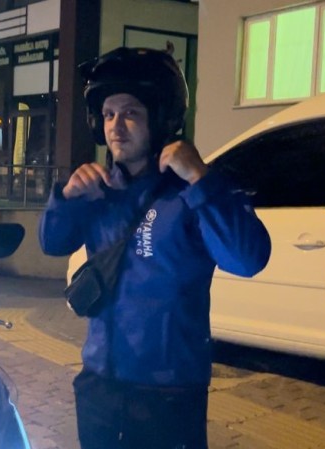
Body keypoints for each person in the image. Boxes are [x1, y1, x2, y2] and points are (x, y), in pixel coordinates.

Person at [38, 47, 272, 448]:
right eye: (108, 114)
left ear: (161, 117)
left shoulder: (191, 194)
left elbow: (248, 258)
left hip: (168, 392)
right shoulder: (98, 190)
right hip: (100, 383)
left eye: (130, 112)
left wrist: (200, 178)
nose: (116, 126)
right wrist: (66, 197)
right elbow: (52, 243)